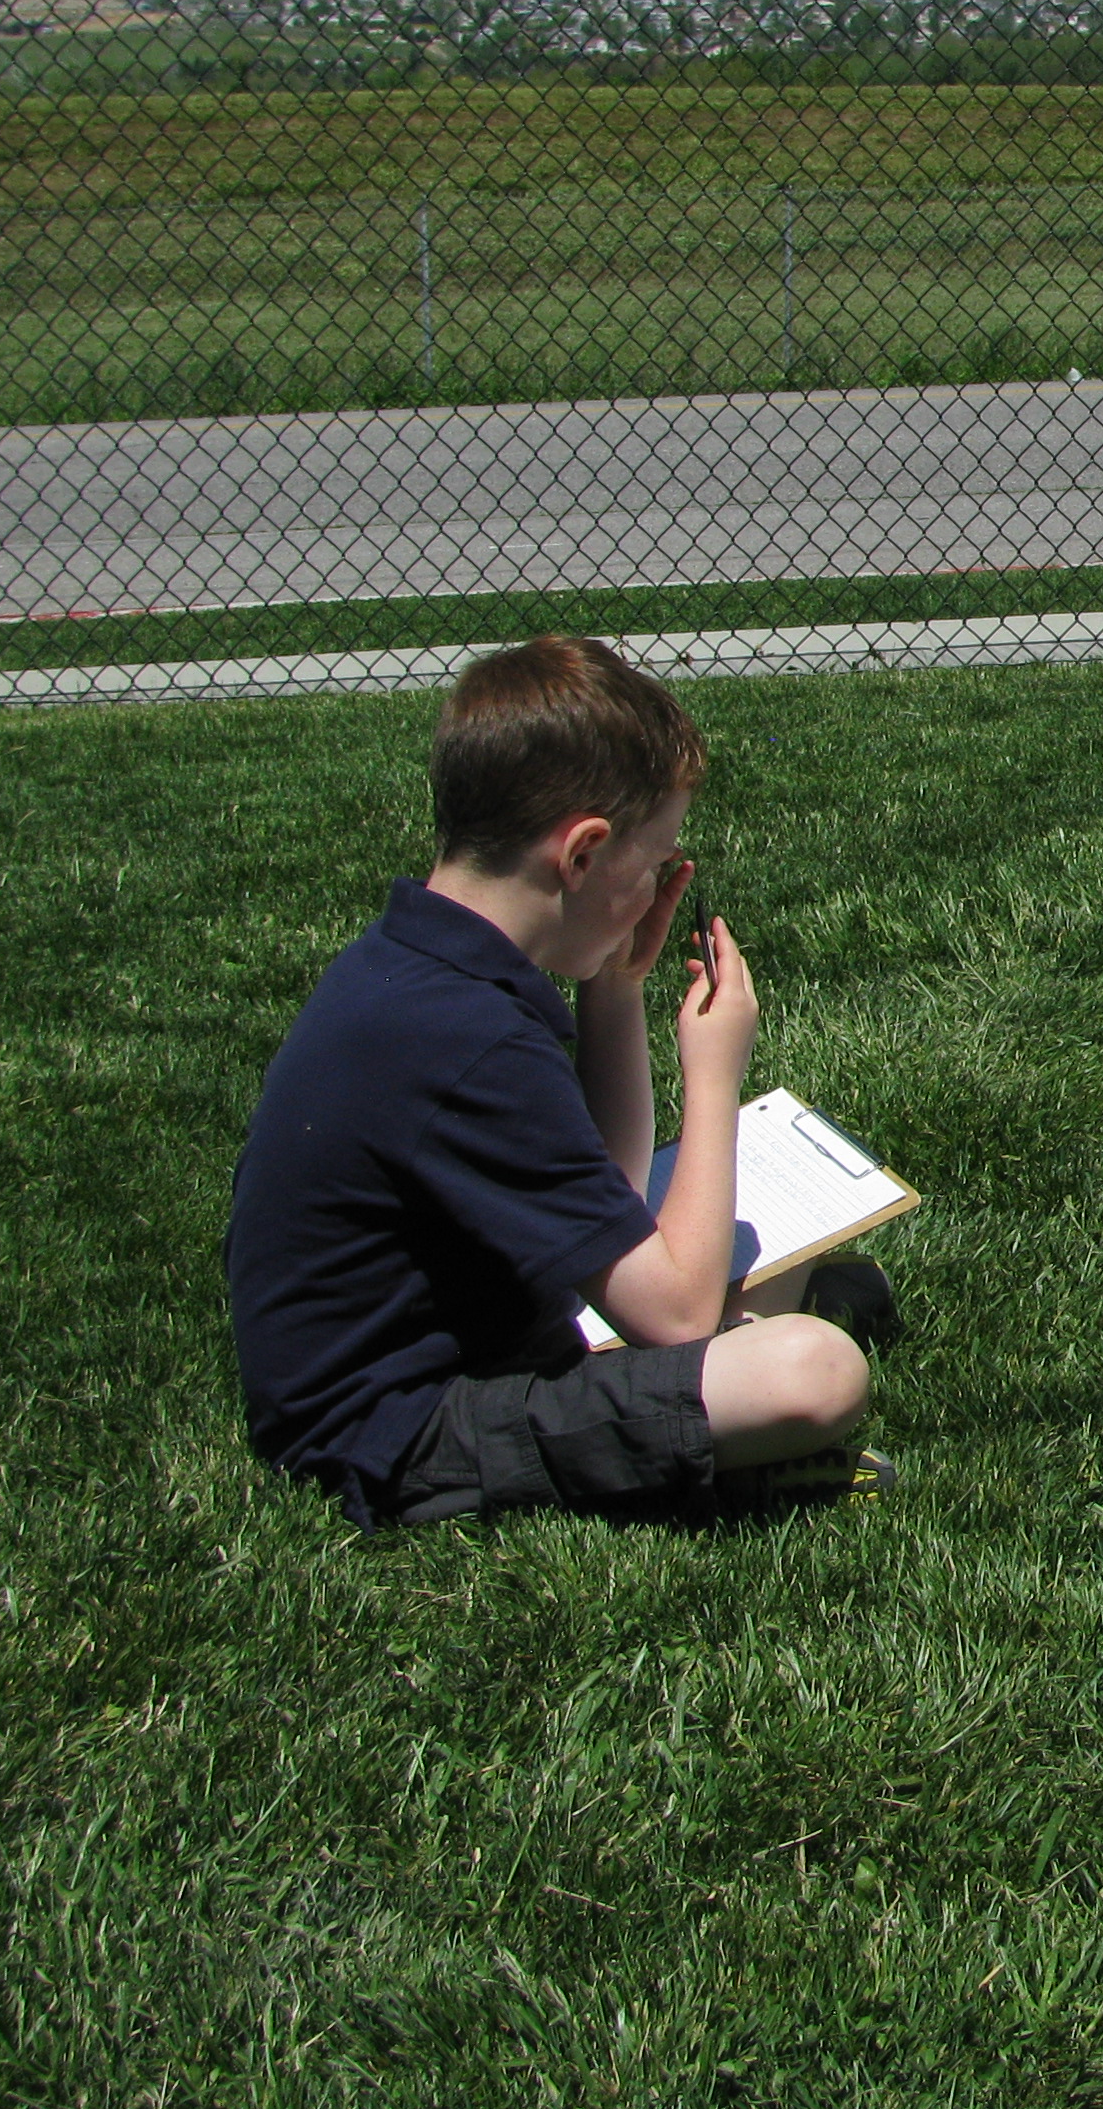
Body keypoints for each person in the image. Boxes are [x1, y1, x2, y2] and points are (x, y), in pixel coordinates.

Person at [226, 636, 893, 1530]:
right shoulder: (468, 1038)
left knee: (773, 1263)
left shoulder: (428, 970)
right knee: (815, 1370)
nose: (657, 886)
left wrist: (615, 991)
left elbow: (602, 1198)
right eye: (654, 864)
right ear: (582, 855)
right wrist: (712, 1079)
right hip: (399, 1431)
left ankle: (734, 1372)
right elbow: (675, 1316)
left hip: (484, 1340)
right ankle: (713, 1457)